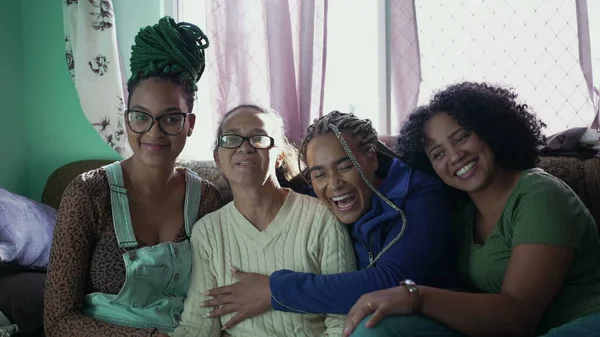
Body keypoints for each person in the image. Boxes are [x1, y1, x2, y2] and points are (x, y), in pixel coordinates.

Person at [343, 82, 600, 337]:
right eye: (437, 153)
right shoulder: (462, 213)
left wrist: (414, 296)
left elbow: (518, 315)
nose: (454, 156)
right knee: (376, 327)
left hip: (583, 321)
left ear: (489, 131)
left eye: (462, 137)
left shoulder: (540, 193)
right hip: (501, 329)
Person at [43, 16, 223, 337]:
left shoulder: (206, 200)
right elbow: (58, 321)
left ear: (190, 123)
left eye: (170, 118)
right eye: (141, 116)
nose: (153, 133)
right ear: (127, 120)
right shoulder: (87, 194)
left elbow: (213, 299)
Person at [199, 110, 460, 331]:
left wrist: (274, 290)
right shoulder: (320, 197)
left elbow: (388, 280)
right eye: (319, 174)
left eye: (345, 166)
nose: (334, 184)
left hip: (429, 323)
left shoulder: (420, 195)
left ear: (371, 157)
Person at [168, 105, 356, 337]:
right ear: (218, 158)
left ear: (279, 156)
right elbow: (199, 325)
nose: (244, 147)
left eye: (258, 138)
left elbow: (342, 318)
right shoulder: (207, 232)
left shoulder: (320, 218)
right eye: (231, 138)